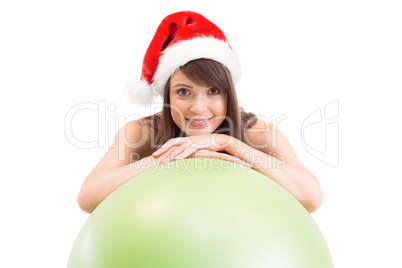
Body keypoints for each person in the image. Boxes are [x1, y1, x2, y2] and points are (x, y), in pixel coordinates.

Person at [77, 11, 323, 214]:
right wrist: (164, 157)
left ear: (228, 94)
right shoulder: (142, 132)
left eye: (213, 91)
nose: (198, 107)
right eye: (184, 92)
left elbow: (311, 198)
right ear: (167, 96)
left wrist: (227, 143)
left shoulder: (257, 133)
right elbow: (88, 199)